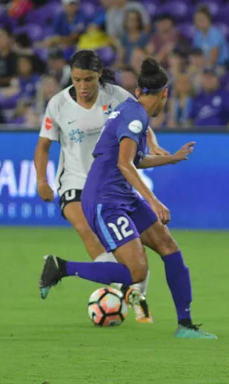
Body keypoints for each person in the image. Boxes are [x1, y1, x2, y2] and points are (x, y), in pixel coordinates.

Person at [38, 57, 217, 339]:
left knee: (169, 246)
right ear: (164, 94)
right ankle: (61, 268)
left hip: (122, 196)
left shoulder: (132, 111)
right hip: (104, 200)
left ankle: (185, 325)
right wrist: (154, 201)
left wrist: (171, 158)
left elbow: (136, 159)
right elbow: (125, 164)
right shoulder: (135, 117)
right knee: (136, 272)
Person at [33, 50, 168, 323]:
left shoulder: (116, 96)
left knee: (135, 246)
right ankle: (124, 292)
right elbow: (43, 146)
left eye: (89, 80)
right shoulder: (58, 104)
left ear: (99, 77)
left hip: (110, 182)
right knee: (87, 230)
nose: (83, 86)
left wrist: (152, 143)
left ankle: (132, 292)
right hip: (74, 181)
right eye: (77, 79)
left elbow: (139, 117)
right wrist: (41, 180)